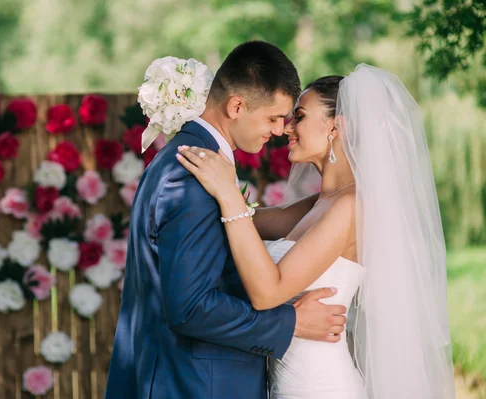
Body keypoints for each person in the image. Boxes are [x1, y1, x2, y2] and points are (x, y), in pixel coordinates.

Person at [176, 64, 455, 398]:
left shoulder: (351, 207)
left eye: (300, 116)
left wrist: (226, 193)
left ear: (336, 127)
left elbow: (268, 292)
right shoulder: (318, 204)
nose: (287, 128)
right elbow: (246, 221)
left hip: (320, 387)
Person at [105, 41, 349, 399]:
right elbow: (190, 308)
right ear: (236, 105)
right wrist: (291, 322)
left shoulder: (194, 164)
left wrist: (232, 198)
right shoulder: (192, 175)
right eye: (273, 118)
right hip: (196, 384)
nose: (280, 130)